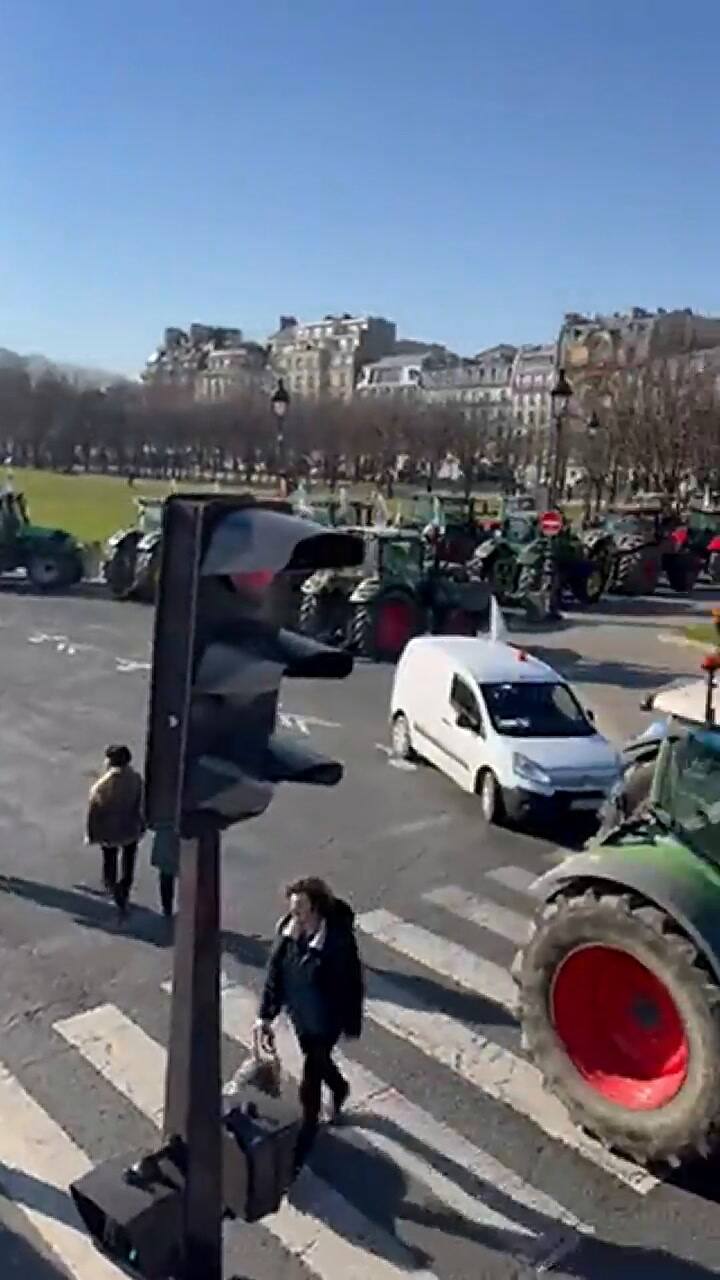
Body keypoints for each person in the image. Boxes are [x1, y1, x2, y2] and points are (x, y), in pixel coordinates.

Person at [256, 876, 364, 1173]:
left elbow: (351, 983)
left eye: (300, 907)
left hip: (326, 1021)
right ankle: (339, 1087)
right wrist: (265, 1016)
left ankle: (305, 1136)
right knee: (317, 1061)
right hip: (301, 1017)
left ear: (316, 908)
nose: (294, 913)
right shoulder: (287, 931)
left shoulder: (337, 942)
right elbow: (275, 975)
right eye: (292, 907)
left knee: (311, 1077)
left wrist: (350, 1021)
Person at [86, 744, 144, 918]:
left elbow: (94, 810)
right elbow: (142, 803)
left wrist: (92, 833)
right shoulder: (136, 779)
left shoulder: (102, 785)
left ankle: (113, 888)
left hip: (110, 830)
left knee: (109, 860)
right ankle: (124, 887)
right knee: (129, 859)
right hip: (131, 827)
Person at [150, 825, 179, 918]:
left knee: (166, 871)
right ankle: (169, 906)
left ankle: (167, 906)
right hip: (183, 831)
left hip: (164, 831)